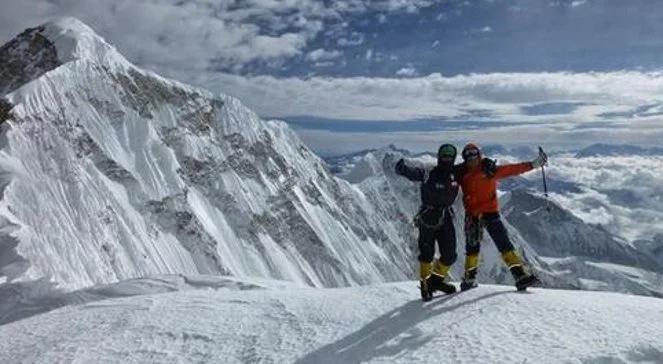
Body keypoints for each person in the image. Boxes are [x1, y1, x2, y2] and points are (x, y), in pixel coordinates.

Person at [457, 143, 547, 291]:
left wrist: (533, 164)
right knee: (481, 247)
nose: (471, 158)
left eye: (474, 154)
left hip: (484, 213)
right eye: (468, 155)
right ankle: (518, 276)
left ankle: (518, 276)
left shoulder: (485, 170)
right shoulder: (467, 172)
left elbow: (512, 169)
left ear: (479, 155)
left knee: (501, 245)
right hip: (477, 214)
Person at [394, 144, 461, 301]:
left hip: (446, 217)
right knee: (427, 254)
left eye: (450, 155)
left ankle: (435, 282)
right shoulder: (429, 174)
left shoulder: (458, 173)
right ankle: (426, 285)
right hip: (428, 217)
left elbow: (473, 168)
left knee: (450, 255)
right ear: (439, 156)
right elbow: (415, 174)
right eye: (444, 154)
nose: (447, 157)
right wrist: (402, 169)